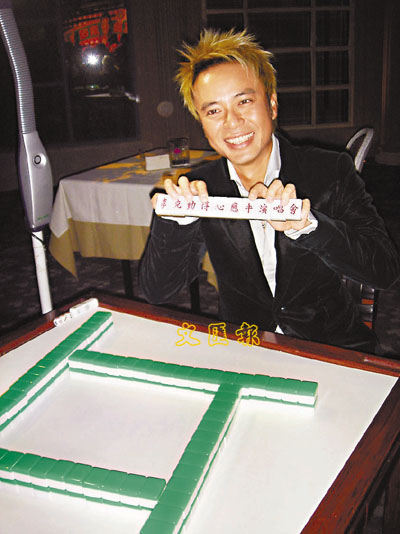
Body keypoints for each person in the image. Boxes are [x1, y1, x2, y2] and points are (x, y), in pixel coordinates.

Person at [139, 29, 399, 354]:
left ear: (272, 105)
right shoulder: (199, 190)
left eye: (244, 101)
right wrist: (177, 224)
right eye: (213, 111)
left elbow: (385, 271)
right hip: (245, 347)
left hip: (330, 348)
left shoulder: (329, 170)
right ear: (202, 123)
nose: (232, 122)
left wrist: (310, 228)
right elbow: (157, 292)